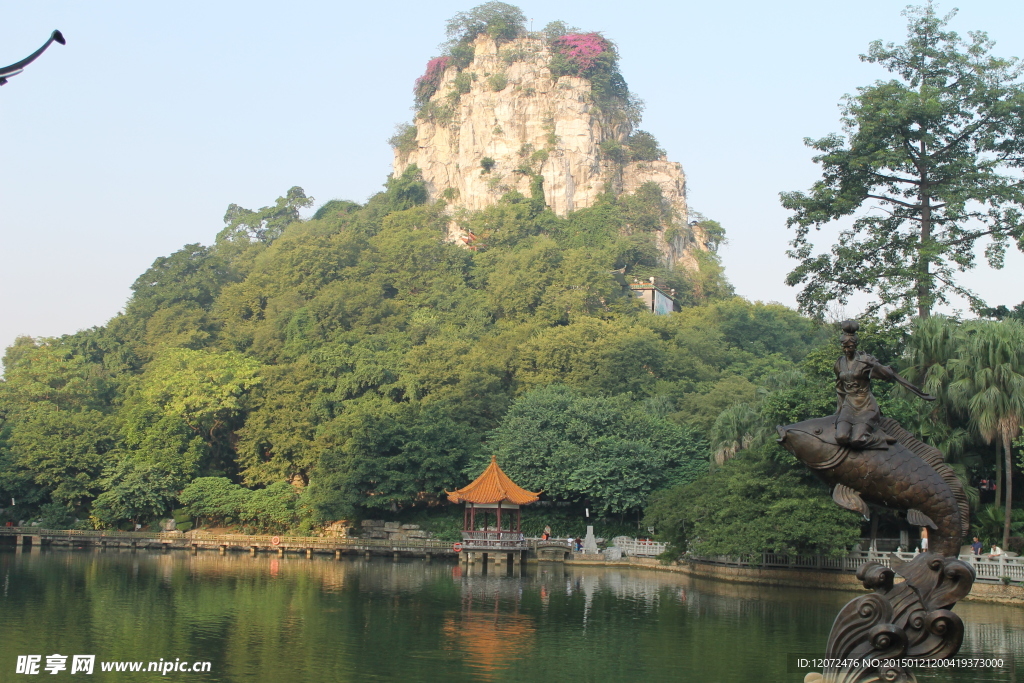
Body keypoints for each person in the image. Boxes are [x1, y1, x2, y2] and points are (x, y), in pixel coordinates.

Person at [833, 320, 935, 449]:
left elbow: (887, 375)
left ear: (856, 345)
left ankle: (880, 437)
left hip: (865, 404)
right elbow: (840, 388)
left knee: (857, 440)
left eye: (850, 347)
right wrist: (840, 408)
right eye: (845, 347)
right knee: (841, 437)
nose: (847, 350)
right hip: (849, 405)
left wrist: (876, 366)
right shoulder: (839, 363)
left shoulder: (865, 359)